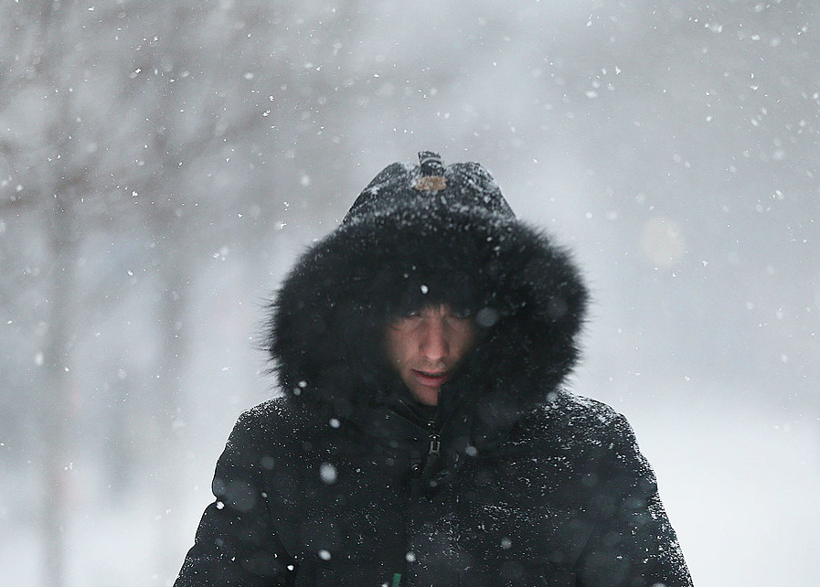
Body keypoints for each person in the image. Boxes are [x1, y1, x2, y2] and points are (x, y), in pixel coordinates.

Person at [174, 152, 693, 587]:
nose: (434, 349)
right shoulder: (282, 450)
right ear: (364, 317)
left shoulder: (586, 452)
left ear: (503, 317)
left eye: (460, 313)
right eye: (409, 312)